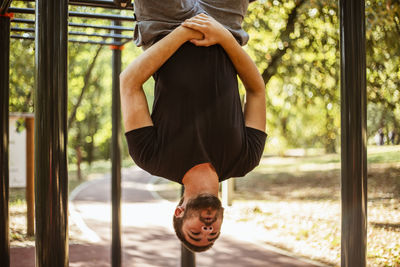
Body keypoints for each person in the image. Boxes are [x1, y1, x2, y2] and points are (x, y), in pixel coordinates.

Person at [120, 1, 266, 252]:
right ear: (221, 219)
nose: (207, 229)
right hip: (226, 24)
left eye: (196, 232)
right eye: (213, 233)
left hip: (164, 26)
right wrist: (222, 35)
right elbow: (256, 91)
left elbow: (129, 83)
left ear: (180, 211)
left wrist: (185, 31)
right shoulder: (245, 159)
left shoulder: (150, 157)